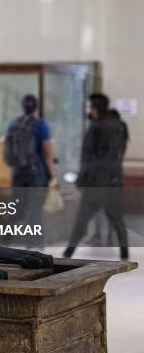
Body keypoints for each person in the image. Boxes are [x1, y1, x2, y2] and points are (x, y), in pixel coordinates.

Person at [64, 94, 129, 260]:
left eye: (91, 108)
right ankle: (125, 253)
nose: (89, 111)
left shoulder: (97, 127)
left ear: (96, 108)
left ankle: (68, 253)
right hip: (114, 181)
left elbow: (89, 157)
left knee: (82, 219)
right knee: (117, 219)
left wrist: (81, 180)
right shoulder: (120, 126)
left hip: (96, 183)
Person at [4, 95, 55, 249]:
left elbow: (8, 150)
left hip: (18, 173)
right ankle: (33, 245)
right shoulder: (40, 125)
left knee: (15, 208)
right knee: (34, 210)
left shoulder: (13, 124)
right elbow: (47, 152)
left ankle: (3, 240)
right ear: (36, 107)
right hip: (35, 173)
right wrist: (52, 174)